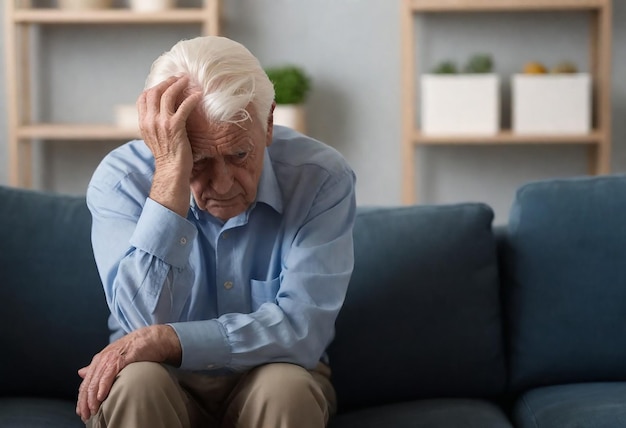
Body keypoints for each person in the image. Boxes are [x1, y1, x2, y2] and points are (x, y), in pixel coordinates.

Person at [75, 35, 356, 428]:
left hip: (275, 371)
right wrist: (171, 174)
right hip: (158, 376)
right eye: (199, 160)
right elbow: (141, 323)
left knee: (285, 387)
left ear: (269, 122)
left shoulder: (322, 178)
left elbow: (303, 329)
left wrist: (173, 340)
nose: (222, 184)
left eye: (239, 155)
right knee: (138, 382)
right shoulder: (121, 180)